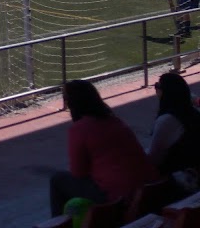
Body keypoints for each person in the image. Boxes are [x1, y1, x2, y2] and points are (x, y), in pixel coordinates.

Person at [49, 79, 158, 217]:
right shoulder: (114, 121)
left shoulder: (79, 129)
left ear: (72, 103)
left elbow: (78, 172)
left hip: (119, 197)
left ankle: (59, 224)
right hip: (147, 189)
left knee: (58, 180)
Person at [148, 72, 200, 193]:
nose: (156, 89)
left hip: (178, 180)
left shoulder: (166, 121)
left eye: (157, 86)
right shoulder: (193, 114)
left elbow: (154, 159)